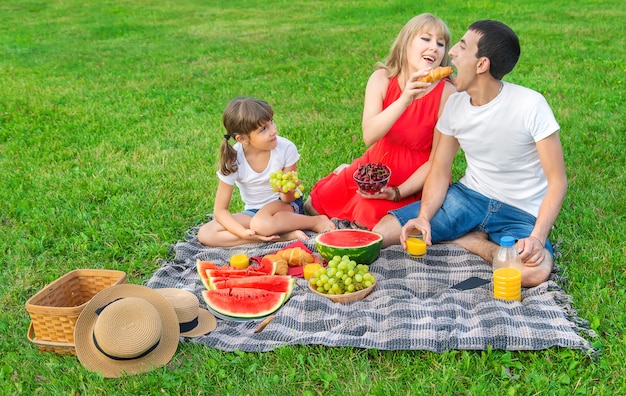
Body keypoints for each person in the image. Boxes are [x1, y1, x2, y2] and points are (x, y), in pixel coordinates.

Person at [372, 20, 567, 287]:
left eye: (461, 47)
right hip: (469, 198)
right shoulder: (454, 105)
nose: (450, 53)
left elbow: (557, 181)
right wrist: (424, 217)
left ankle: (473, 242)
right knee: (383, 232)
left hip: (520, 211)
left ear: (481, 65)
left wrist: (536, 236)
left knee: (533, 271)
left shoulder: (531, 105)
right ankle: (476, 238)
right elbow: (440, 170)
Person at [304, 13, 456, 230]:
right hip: (375, 168)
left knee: (367, 220)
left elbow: (436, 162)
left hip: (414, 180)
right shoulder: (382, 79)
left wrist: (398, 191)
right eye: (426, 39)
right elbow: (369, 135)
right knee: (314, 204)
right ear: (405, 43)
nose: (434, 47)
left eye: (440, 43)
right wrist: (405, 99)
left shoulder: (447, 94)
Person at [198, 97, 335, 247]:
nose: (274, 130)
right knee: (206, 233)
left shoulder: (285, 148)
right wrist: (242, 232)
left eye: (272, 122)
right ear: (242, 139)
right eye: (263, 129)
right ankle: (279, 237)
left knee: (261, 224)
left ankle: (315, 221)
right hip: (253, 213)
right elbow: (220, 211)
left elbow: (288, 199)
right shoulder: (233, 160)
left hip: (285, 207)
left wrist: (285, 190)